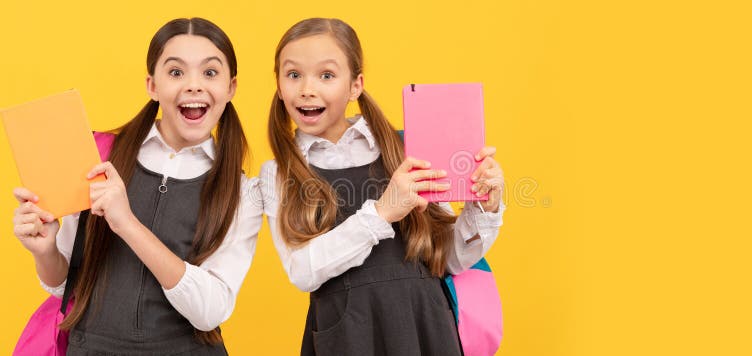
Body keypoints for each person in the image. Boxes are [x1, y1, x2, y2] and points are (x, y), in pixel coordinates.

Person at [11, 17, 261, 355]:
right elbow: (63, 286)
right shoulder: (97, 155)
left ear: (230, 88)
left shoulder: (243, 192)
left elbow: (210, 310)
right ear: (152, 85)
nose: (193, 85)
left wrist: (127, 224)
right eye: (175, 72)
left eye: (210, 72)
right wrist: (44, 251)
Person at [259, 17, 506, 355]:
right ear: (279, 83)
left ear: (355, 85)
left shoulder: (409, 147)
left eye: (327, 75)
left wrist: (484, 206)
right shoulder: (277, 173)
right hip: (348, 336)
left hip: (425, 325)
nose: (307, 89)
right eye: (293, 75)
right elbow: (303, 271)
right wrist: (381, 212)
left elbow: (449, 260)